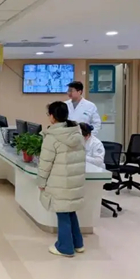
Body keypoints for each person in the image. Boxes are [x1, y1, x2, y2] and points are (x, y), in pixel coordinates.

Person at [37, 101, 86, 257]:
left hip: (59, 182)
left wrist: (41, 182)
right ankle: (78, 243)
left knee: (63, 213)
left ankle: (65, 247)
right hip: (74, 181)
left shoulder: (52, 137)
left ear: (52, 116)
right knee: (70, 211)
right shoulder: (76, 133)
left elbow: (45, 164)